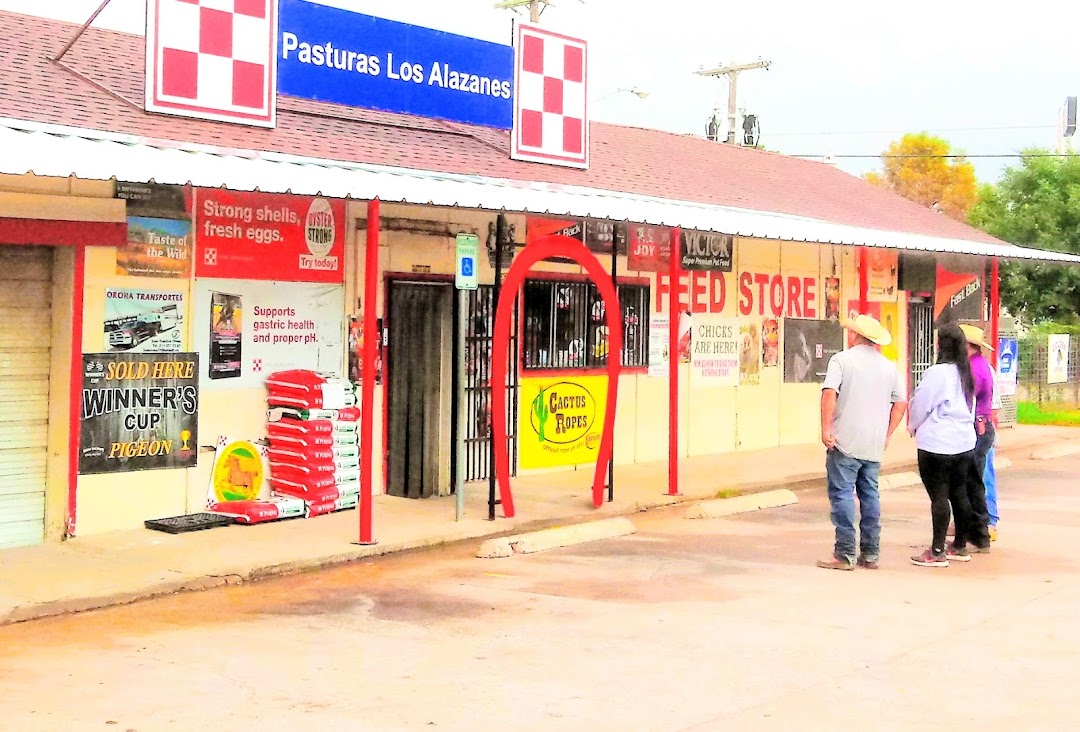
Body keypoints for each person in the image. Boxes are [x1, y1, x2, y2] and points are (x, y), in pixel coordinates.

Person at [817, 314, 908, 571]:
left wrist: (826, 428)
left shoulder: (841, 361)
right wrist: (887, 433)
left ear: (855, 335)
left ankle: (844, 553)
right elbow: (901, 403)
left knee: (843, 495)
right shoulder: (889, 367)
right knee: (870, 496)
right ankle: (870, 553)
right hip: (873, 444)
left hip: (844, 440)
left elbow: (829, 394)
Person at [907, 324, 990, 567]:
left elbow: (922, 403)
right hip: (963, 442)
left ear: (941, 344)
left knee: (939, 497)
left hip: (937, 443)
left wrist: (913, 425)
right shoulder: (966, 372)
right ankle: (960, 545)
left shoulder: (938, 372)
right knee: (959, 493)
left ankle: (936, 550)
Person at [959, 324, 996, 547]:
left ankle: (978, 530)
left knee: (972, 481)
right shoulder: (979, 365)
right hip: (981, 427)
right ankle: (977, 530)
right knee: (974, 480)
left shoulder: (974, 369)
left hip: (977, 429)